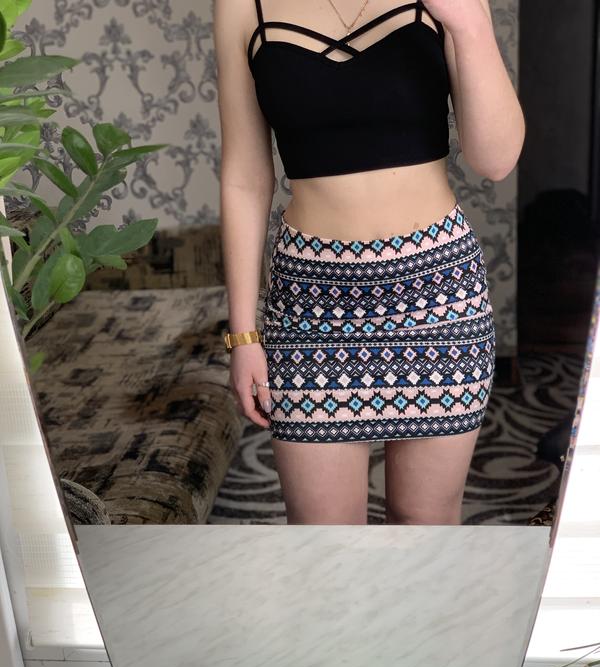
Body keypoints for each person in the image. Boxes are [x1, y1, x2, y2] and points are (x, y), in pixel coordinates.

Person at [215, 0, 525, 525]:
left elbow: (496, 160)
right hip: (310, 303)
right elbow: (244, 177)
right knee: (326, 544)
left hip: (438, 295)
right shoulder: (242, 6)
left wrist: (469, 24)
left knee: (426, 527)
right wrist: (243, 335)